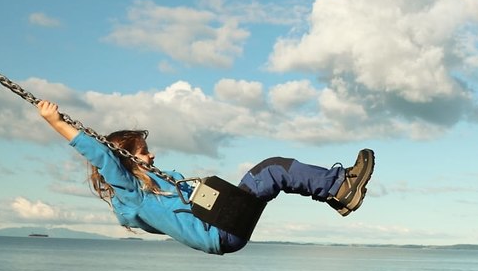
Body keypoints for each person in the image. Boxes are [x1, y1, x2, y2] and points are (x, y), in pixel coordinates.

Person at [36, 100, 374, 255]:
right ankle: (339, 187)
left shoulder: (153, 190)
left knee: (272, 173)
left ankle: (338, 194)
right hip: (221, 231)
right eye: (144, 152)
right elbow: (103, 157)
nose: (151, 156)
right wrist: (56, 123)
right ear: (126, 159)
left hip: (223, 229)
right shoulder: (132, 193)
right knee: (271, 170)